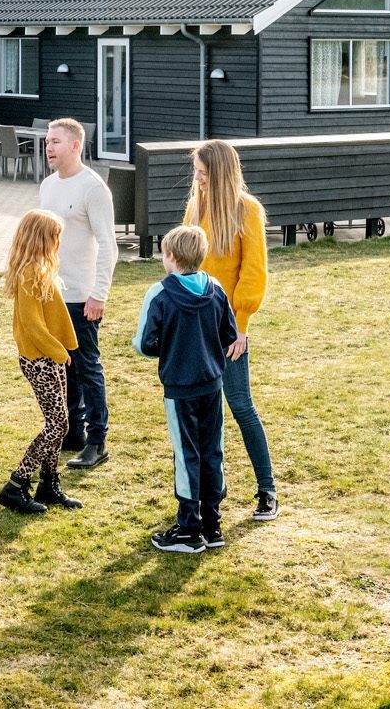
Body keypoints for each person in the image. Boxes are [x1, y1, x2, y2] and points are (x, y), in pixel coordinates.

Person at [184, 139, 276, 520]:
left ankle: (267, 489)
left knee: (240, 405)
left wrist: (240, 327)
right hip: (193, 325)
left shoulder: (247, 211)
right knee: (201, 411)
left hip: (227, 330)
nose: (199, 180)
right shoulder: (196, 206)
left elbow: (253, 275)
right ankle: (208, 492)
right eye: (197, 174)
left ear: (221, 173)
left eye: (205, 175)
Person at [134, 224, 239, 553]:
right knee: (212, 450)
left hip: (180, 389)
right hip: (212, 385)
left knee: (186, 454)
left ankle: (189, 529)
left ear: (171, 257)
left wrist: (171, 347)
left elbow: (143, 343)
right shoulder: (217, 288)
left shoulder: (159, 293)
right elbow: (229, 334)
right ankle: (213, 522)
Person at [41, 117, 117, 470]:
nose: (48, 147)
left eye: (55, 141)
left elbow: (109, 244)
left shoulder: (93, 188)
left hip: (83, 296)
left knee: (88, 367)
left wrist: (98, 293)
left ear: (75, 145)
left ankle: (97, 439)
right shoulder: (47, 186)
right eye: (47, 141)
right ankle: (72, 432)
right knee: (62, 365)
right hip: (52, 294)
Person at [0, 210, 83, 515]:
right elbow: (33, 325)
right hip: (40, 359)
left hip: (51, 356)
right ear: (40, 239)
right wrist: (59, 352)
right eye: (55, 237)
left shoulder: (40, 269)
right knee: (57, 423)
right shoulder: (30, 274)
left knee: (60, 425)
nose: (58, 242)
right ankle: (16, 484)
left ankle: (49, 483)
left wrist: (60, 351)